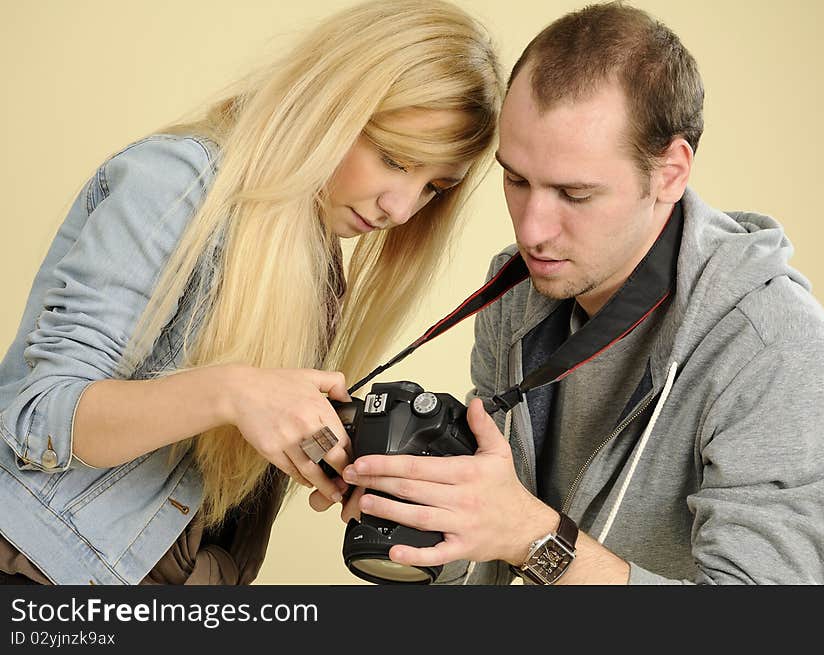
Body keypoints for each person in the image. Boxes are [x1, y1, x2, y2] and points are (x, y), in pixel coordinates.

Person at [336, 2, 824, 584]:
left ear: (670, 173)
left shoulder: (774, 350)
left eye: (574, 193)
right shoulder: (516, 300)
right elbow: (499, 550)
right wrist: (427, 515)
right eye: (516, 180)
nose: (532, 230)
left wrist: (534, 537)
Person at [0, 0, 503, 585]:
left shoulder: (314, 260)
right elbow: (40, 418)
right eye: (394, 159)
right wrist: (234, 393)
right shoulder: (181, 184)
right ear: (328, 103)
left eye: (432, 187)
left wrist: (332, 451)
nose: (400, 208)